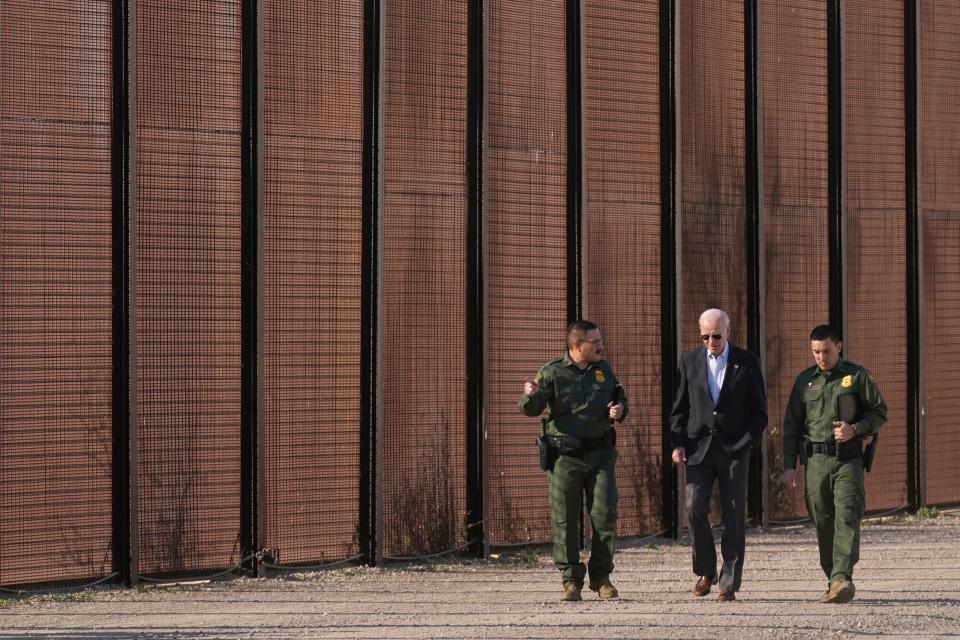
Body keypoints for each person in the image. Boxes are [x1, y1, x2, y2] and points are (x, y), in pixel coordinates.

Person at [519, 320, 627, 602]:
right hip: (565, 457)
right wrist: (530, 394)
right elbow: (531, 409)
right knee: (565, 519)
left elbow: (619, 398)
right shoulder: (552, 372)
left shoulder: (603, 370)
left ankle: (601, 578)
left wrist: (619, 410)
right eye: (596, 342)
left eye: (601, 340)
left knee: (605, 515)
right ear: (578, 346)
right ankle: (571, 580)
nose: (602, 345)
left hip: (601, 455)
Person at [782, 324, 887, 604]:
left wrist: (857, 428)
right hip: (815, 461)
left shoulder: (856, 376)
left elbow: (879, 412)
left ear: (838, 347)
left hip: (847, 459)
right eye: (815, 351)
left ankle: (842, 576)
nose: (820, 356)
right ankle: (833, 577)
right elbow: (791, 425)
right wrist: (789, 464)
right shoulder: (805, 381)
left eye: (826, 350)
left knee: (846, 515)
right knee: (823, 519)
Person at [669, 308, 767, 602]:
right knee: (694, 507)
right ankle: (706, 570)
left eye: (716, 335)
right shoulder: (689, 361)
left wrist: (748, 440)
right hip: (699, 447)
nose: (710, 341)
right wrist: (677, 443)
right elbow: (679, 407)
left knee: (733, 515)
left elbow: (758, 411)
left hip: (735, 450)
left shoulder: (747, 363)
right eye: (705, 336)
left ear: (728, 332)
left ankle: (729, 582)